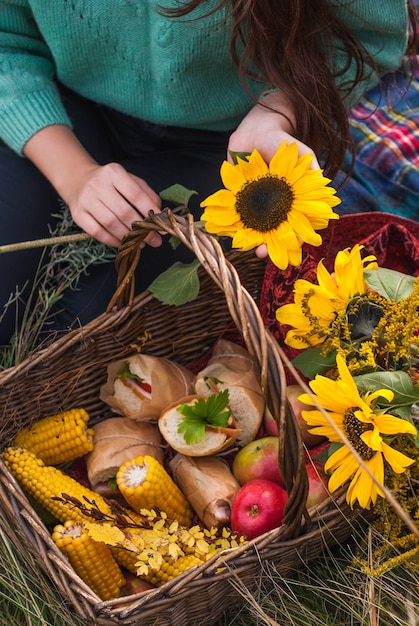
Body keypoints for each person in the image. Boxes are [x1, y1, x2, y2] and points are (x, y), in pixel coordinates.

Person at [0, 0, 415, 347]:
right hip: (54, 107)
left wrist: (278, 114)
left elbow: (363, 38)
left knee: (76, 330)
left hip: (229, 134)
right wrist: (75, 175)